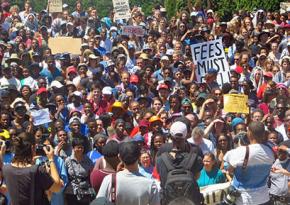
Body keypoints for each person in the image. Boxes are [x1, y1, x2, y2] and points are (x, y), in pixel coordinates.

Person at [2, 132, 63, 205]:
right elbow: (57, 187)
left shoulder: (6, 168)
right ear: (32, 147)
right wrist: (51, 159)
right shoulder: (36, 170)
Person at [223, 121, 275, 205]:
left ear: (249, 133)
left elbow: (228, 168)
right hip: (264, 198)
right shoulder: (270, 151)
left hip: (244, 200)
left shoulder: (240, 151)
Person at [156, 121, 203, 205]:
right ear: (186, 135)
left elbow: (161, 177)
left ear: (170, 135)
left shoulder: (161, 158)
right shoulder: (195, 157)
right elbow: (196, 177)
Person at [64, 137, 94, 205]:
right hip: (71, 192)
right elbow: (65, 177)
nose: (80, 150)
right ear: (73, 148)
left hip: (85, 192)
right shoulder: (68, 161)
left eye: (82, 148)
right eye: (78, 147)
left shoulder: (88, 160)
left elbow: (91, 176)